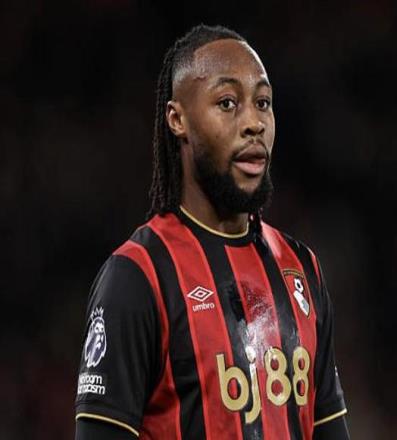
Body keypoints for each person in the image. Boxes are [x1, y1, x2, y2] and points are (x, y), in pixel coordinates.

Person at [74, 24, 349, 440]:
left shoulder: (301, 268)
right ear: (177, 120)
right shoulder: (138, 276)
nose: (254, 123)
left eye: (262, 103)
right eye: (227, 103)